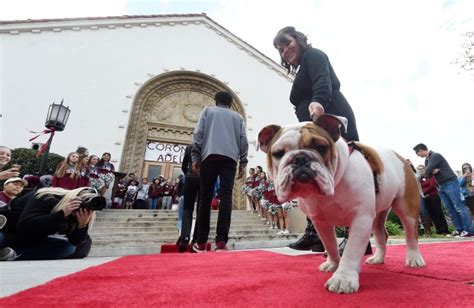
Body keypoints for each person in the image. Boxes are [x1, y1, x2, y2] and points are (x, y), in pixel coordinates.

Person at [273, 26, 369, 254]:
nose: (285, 50)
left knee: (347, 173)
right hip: (312, 124)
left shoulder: (314, 55)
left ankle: (359, 239)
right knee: (313, 174)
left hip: (329, 117)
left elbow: (322, 80)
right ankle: (315, 233)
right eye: (280, 49)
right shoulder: (300, 68)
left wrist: (318, 104)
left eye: (287, 43)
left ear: (298, 39)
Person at [191, 91, 248, 252]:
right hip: (230, 159)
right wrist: (243, 162)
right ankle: (221, 241)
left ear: (216, 101)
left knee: (205, 197)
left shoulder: (208, 111)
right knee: (226, 197)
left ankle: (201, 241)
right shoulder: (237, 117)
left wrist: (195, 157)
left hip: (209, 156)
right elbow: (243, 139)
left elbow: (198, 134)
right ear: (230, 103)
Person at [0, 187, 99, 261]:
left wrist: (82, 226)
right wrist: (62, 214)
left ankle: (12, 254)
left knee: (68, 248)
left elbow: (75, 241)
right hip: (9, 231)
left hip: (31, 239)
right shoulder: (46, 196)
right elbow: (25, 226)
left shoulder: (79, 213)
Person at [414, 143, 474, 237]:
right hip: (441, 186)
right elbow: (427, 174)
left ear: (421, 150)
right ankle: (459, 229)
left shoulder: (435, 156)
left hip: (450, 183)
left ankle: (469, 230)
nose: (417, 155)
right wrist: (430, 172)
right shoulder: (427, 160)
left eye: (417, 153)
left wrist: (430, 172)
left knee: (458, 206)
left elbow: (427, 171)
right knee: (450, 209)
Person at [176, 145, 201, 252]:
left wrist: (189, 174)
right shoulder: (209, 146)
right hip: (204, 179)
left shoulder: (190, 147)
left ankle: (184, 238)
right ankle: (196, 240)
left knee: (187, 209)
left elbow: (184, 165)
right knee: (201, 209)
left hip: (190, 176)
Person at [417, 165, 449, 235]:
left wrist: (423, 192)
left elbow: (432, 185)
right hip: (426, 198)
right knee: (432, 215)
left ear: (425, 169)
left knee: (438, 213)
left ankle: (445, 230)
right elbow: (418, 188)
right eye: (419, 170)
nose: (421, 171)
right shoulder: (419, 179)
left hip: (434, 196)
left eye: (422, 169)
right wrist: (423, 193)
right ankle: (439, 230)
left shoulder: (430, 176)